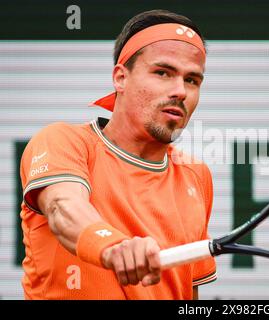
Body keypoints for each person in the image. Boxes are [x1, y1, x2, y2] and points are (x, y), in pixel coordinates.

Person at [19, 9, 217, 300]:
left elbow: (188, 293)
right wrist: (112, 246)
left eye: (192, 80)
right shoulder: (63, 140)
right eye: (163, 72)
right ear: (120, 78)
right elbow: (64, 209)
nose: (180, 91)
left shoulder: (196, 175)